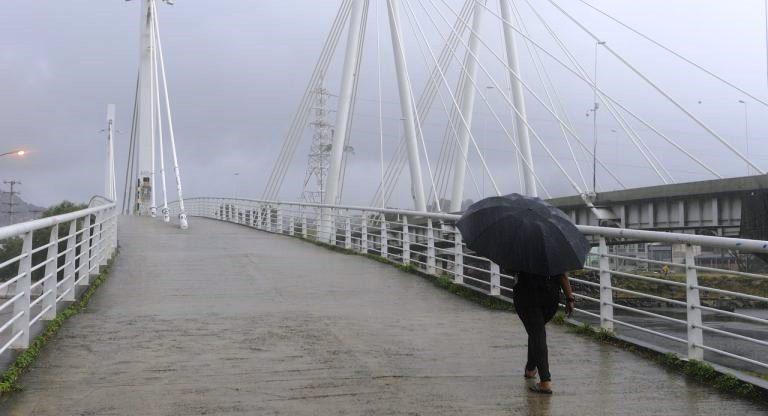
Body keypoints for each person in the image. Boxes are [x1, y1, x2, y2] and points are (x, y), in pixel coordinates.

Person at [512, 272, 575, 395]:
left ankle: (545, 381)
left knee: (537, 332)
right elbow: (562, 274)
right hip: (551, 296)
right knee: (536, 330)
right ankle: (530, 368)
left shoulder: (523, 253)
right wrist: (569, 298)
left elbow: (509, 269)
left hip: (527, 293)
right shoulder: (553, 253)